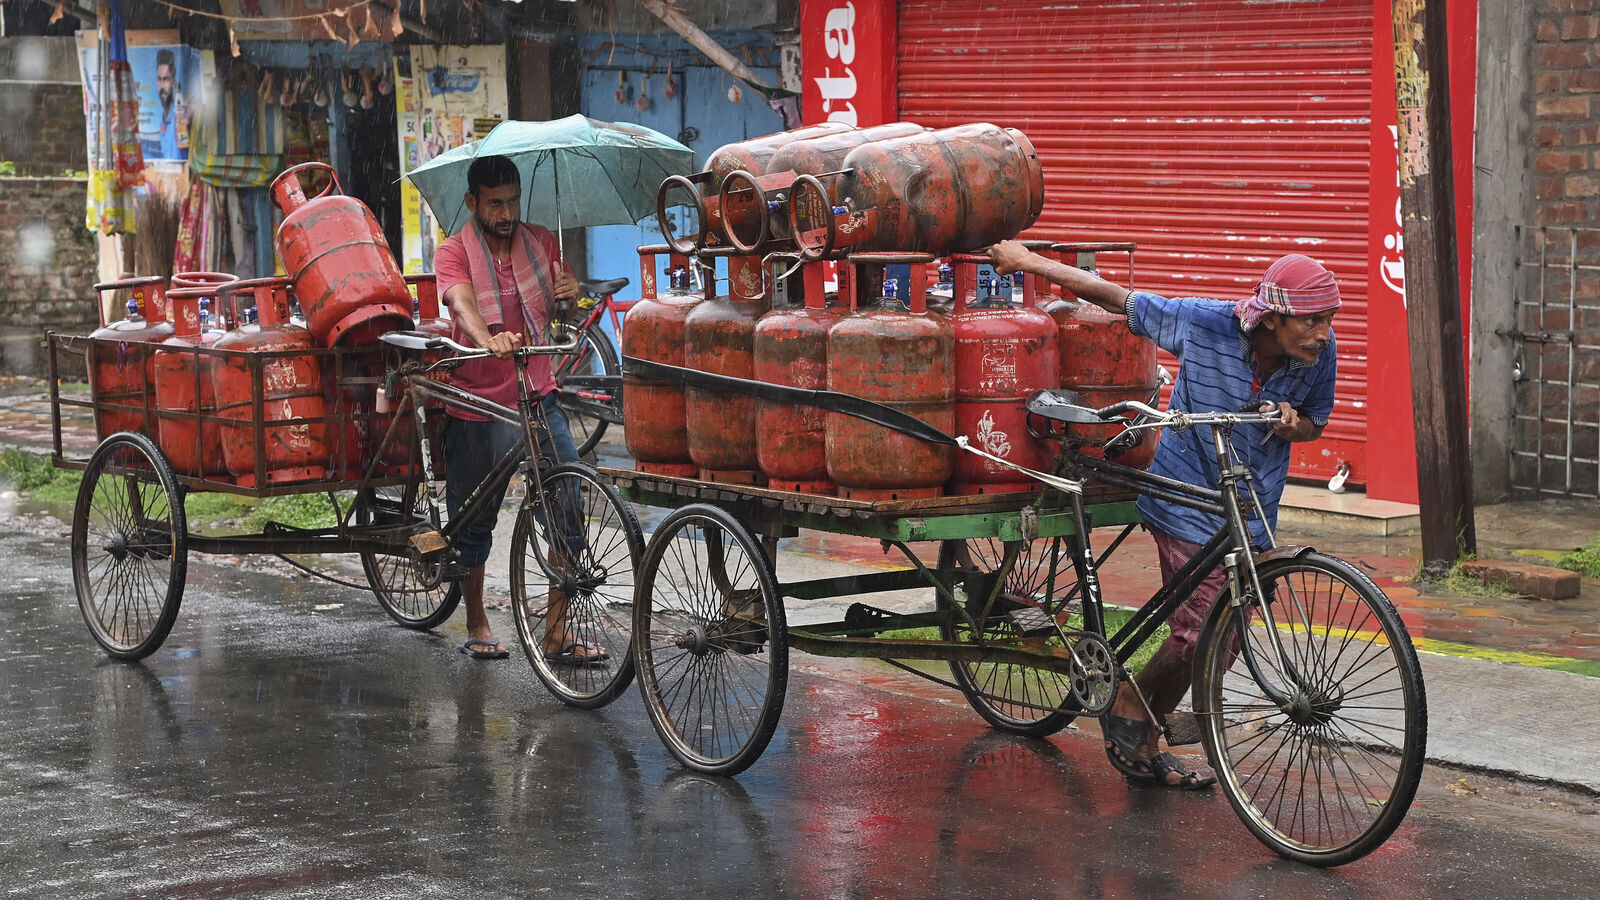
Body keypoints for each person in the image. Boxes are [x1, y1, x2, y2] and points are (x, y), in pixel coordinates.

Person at [990, 240, 1340, 789]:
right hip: (1185, 497)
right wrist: (1027, 262)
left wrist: (1295, 425)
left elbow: (1315, 421)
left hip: (1251, 511)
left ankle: (1140, 717)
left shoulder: (1320, 354)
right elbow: (1115, 298)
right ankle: (1133, 708)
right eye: (1312, 320)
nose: (1323, 332)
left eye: (1329, 319)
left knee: (1225, 634)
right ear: (1272, 319)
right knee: (1201, 635)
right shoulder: (1204, 324)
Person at [434, 154, 605, 663]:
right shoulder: (453, 253)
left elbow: (560, 317)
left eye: (512, 201)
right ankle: (478, 619)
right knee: (473, 520)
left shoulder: (541, 244)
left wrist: (570, 297)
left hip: (536, 392)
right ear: (473, 203)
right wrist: (489, 338)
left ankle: (555, 629)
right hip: (476, 401)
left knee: (569, 497)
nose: (506, 213)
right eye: (495, 203)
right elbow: (462, 304)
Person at [142, 49, 187, 161]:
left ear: (173, 83)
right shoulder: (163, 120)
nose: (162, 85)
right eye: (159, 79)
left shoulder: (180, 114)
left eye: (166, 79)